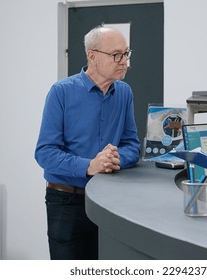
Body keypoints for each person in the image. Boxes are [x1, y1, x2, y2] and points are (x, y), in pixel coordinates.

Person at [35, 25, 140, 260]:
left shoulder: (124, 93)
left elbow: (132, 144)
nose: (125, 62)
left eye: (127, 53)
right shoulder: (61, 92)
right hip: (66, 202)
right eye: (116, 55)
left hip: (109, 200)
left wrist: (117, 159)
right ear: (92, 56)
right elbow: (45, 153)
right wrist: (89, 165)